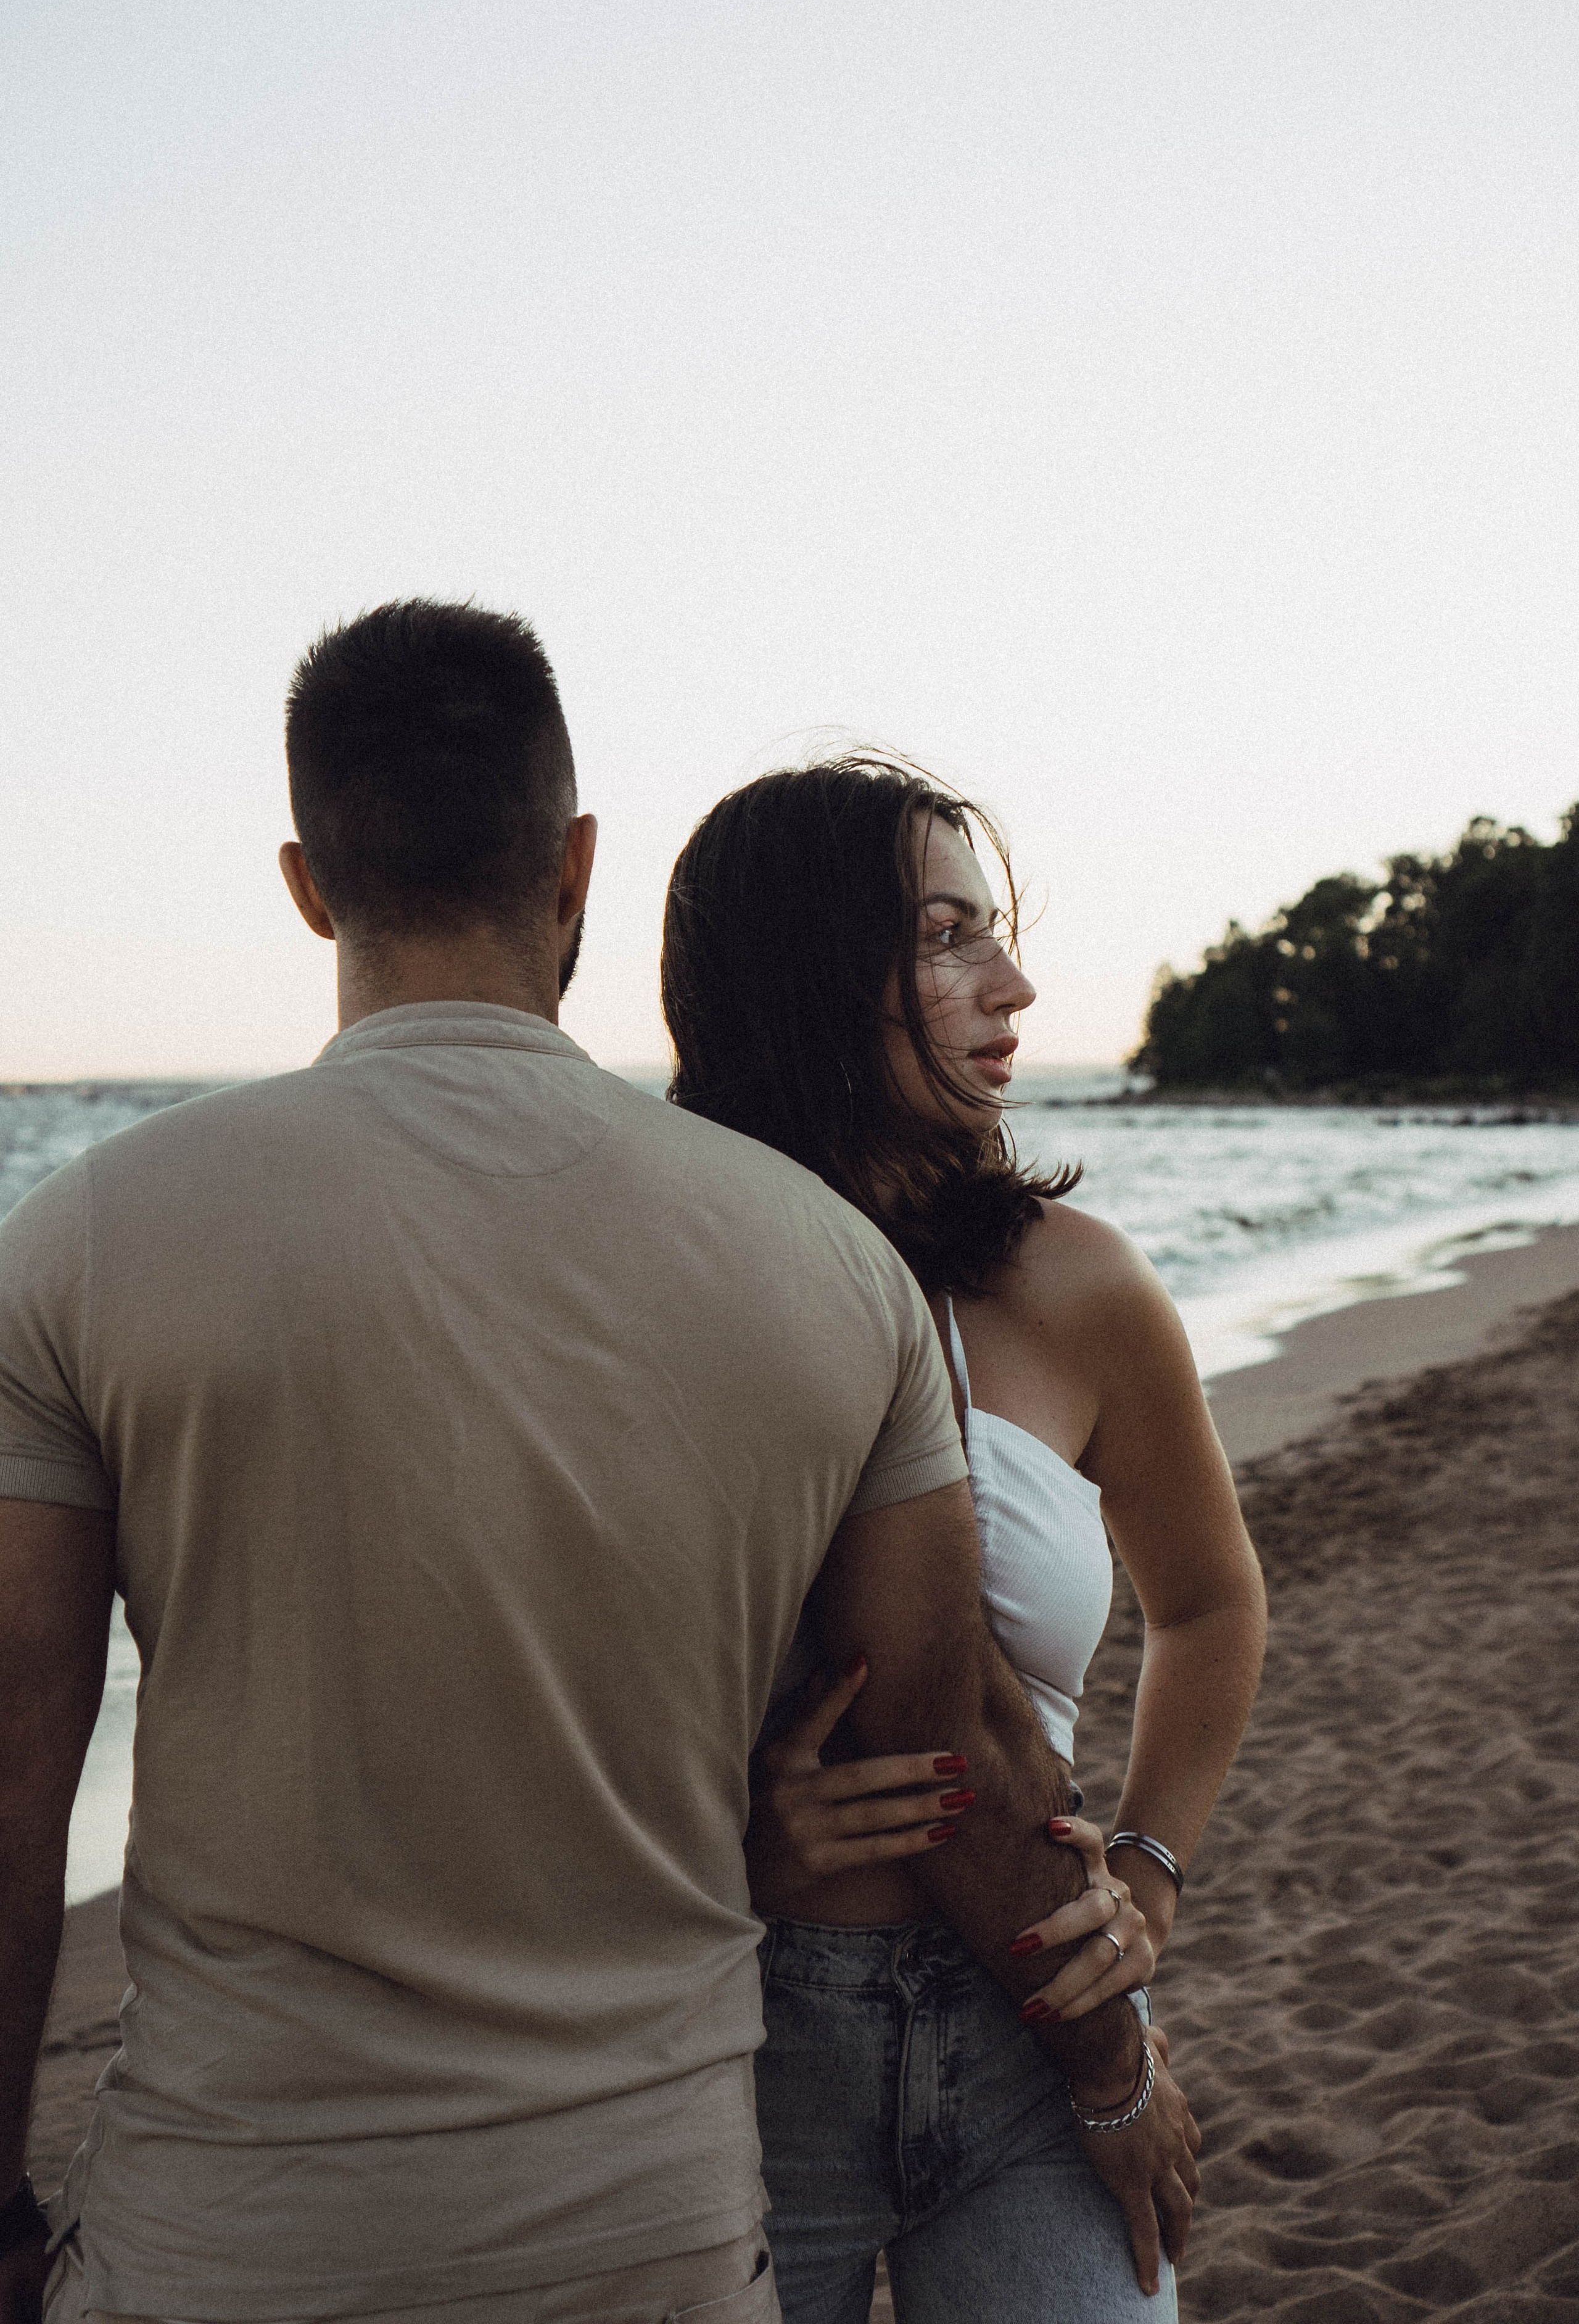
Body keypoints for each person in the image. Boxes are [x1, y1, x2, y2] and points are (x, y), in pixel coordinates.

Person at [0, 608, 1190, 2324]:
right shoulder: (822, 1264)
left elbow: (17, 1784)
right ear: (574, 865)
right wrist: (1111, 2069)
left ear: (307, 884)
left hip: (227, 2236)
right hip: (655, 2234)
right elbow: (956, 1723)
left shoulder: (80, 1243)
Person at [661, 756, 1266, 2321]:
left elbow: (1206, 1606)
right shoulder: (670, 1297)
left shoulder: (1078, 1287)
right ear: (804, 971)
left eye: (990, 930)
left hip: (1034, 2025)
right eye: (944, 938)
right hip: (733, 2051)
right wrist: (737, 1837)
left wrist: (1149, 1874)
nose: (1010, 983)